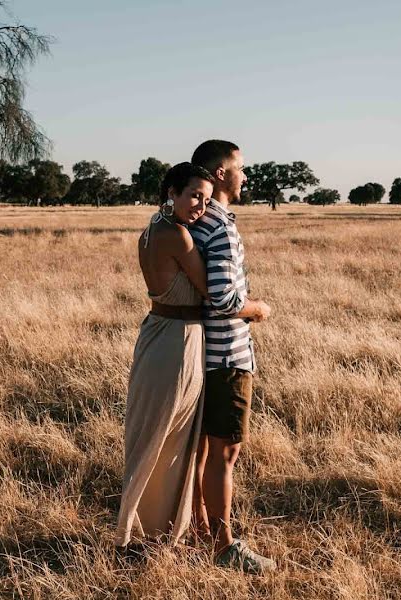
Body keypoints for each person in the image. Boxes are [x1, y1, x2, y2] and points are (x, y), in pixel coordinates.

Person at [115, 162, 216, 548]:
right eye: (194, 196)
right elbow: (211, 291)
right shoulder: (177, 235)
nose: (200, 207)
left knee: (151, 434)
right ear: (171, 192)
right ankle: (151, 534)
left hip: (157, 333)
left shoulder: (151, 228)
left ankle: (146, 528)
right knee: (168, 439)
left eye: (206, 201)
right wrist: (255, 308)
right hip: (177, 339)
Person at [189, 140, 276, 573]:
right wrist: (256, 309)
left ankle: (199, 530)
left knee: (203, 451)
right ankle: (224, 546)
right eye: (240, 168)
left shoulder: (197, 221)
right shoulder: (220, 227)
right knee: (226, 452)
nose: (245, 176)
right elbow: (224, 298)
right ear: (220, 174)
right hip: (227, 355)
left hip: (202, 354)